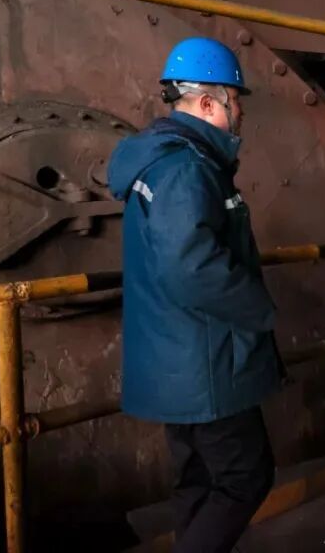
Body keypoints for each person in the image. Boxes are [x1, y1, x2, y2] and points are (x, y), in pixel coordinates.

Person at [107, 37, 284, 553]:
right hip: (207, 365)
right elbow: (191, 267)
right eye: (236, 101)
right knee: (246, 477)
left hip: (179, 360)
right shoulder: (187, 169)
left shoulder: (162, 162)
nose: (241, 112)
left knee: (199, 481)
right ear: (209, 103)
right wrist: (260, 309)